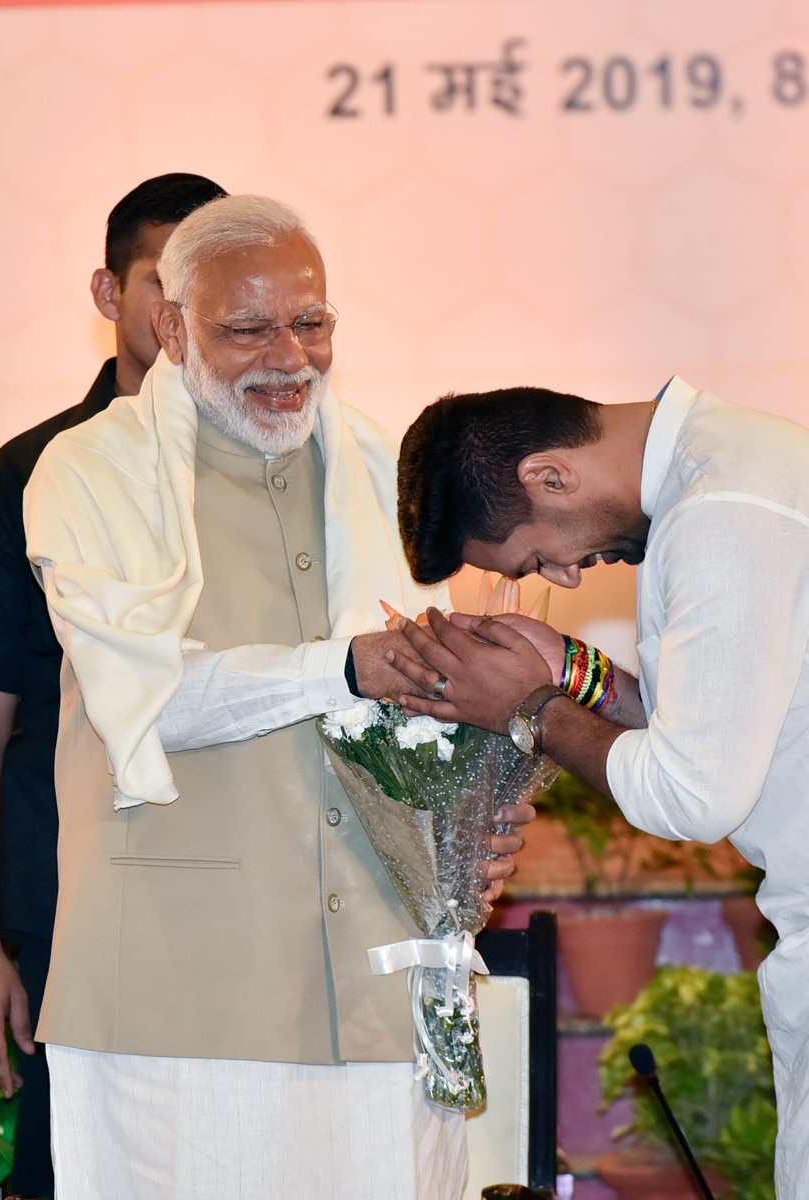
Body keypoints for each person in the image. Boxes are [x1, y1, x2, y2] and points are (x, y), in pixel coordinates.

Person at [22, 194, 532, 1200]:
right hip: (181, 1005)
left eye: (313, 322)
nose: (288, 356)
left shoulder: (385, 467)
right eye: (247, 327)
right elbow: (151, 695)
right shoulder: (90, 471)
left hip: (388, 993)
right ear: (170, 327)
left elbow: (447, 682)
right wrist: (341, 666)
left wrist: (482, 812)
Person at [394, 379, 809, 1197]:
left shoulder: (720, 509)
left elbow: (694, 793)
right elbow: (708, 721)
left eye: (537, 554)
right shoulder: (727, 468)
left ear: (550, 476)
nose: (568, 576)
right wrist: (565, 665)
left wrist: (527, 709)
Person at [0, 172, 226, 1199]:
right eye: (158, 283)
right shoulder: (25, 481)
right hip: (70, 939)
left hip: (234, 930)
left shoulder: (276, 478)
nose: (186, 316)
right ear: (107, 290)